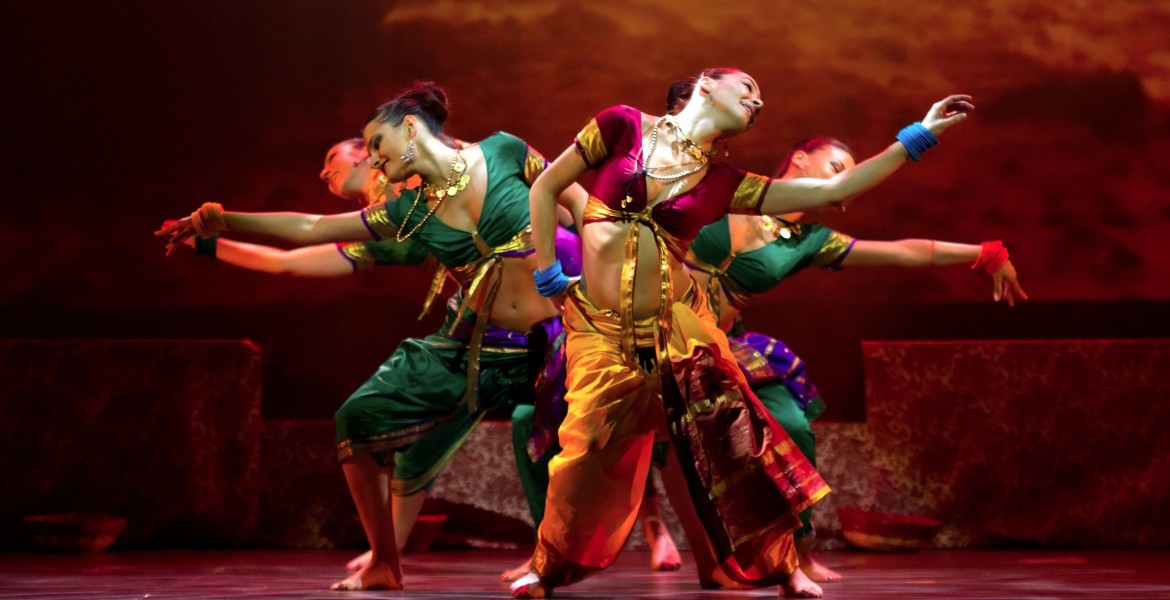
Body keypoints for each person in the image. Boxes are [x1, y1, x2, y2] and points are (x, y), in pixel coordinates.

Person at [518, 67, 972, 598]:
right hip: (601, 331)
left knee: (738, 448)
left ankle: (784, 566)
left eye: (760, 100)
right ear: (708, 83)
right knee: (582, 454)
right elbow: (547, 186)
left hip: (679, 329)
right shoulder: (622, 125)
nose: (757, 102)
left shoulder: (723, 184)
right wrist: (548, 273)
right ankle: (546, 568)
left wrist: (918, 135)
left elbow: (835, 190)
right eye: (749, 89)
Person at [157, 81, 589, 592]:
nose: (374, 158)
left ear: (410, 127)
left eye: (376, 144)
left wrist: (612, 267)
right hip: (478, 345)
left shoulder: (502, 150)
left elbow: (574, 201)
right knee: (358, 419)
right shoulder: (405, 215)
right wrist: (222, 222)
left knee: (568, 429)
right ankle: (385, 560)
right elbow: (310, 229)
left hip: (562, 333)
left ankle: (576, 550)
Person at [685, 135, 1027, 583]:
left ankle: (799, 550)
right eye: (836, 168)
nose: (844, 185)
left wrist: (985, 254)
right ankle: (675, 541)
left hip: (722, 345)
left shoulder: (808, 242)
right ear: (800, 159)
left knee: (793, 425)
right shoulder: (736, 191)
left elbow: (902, 252)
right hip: (663, 333)